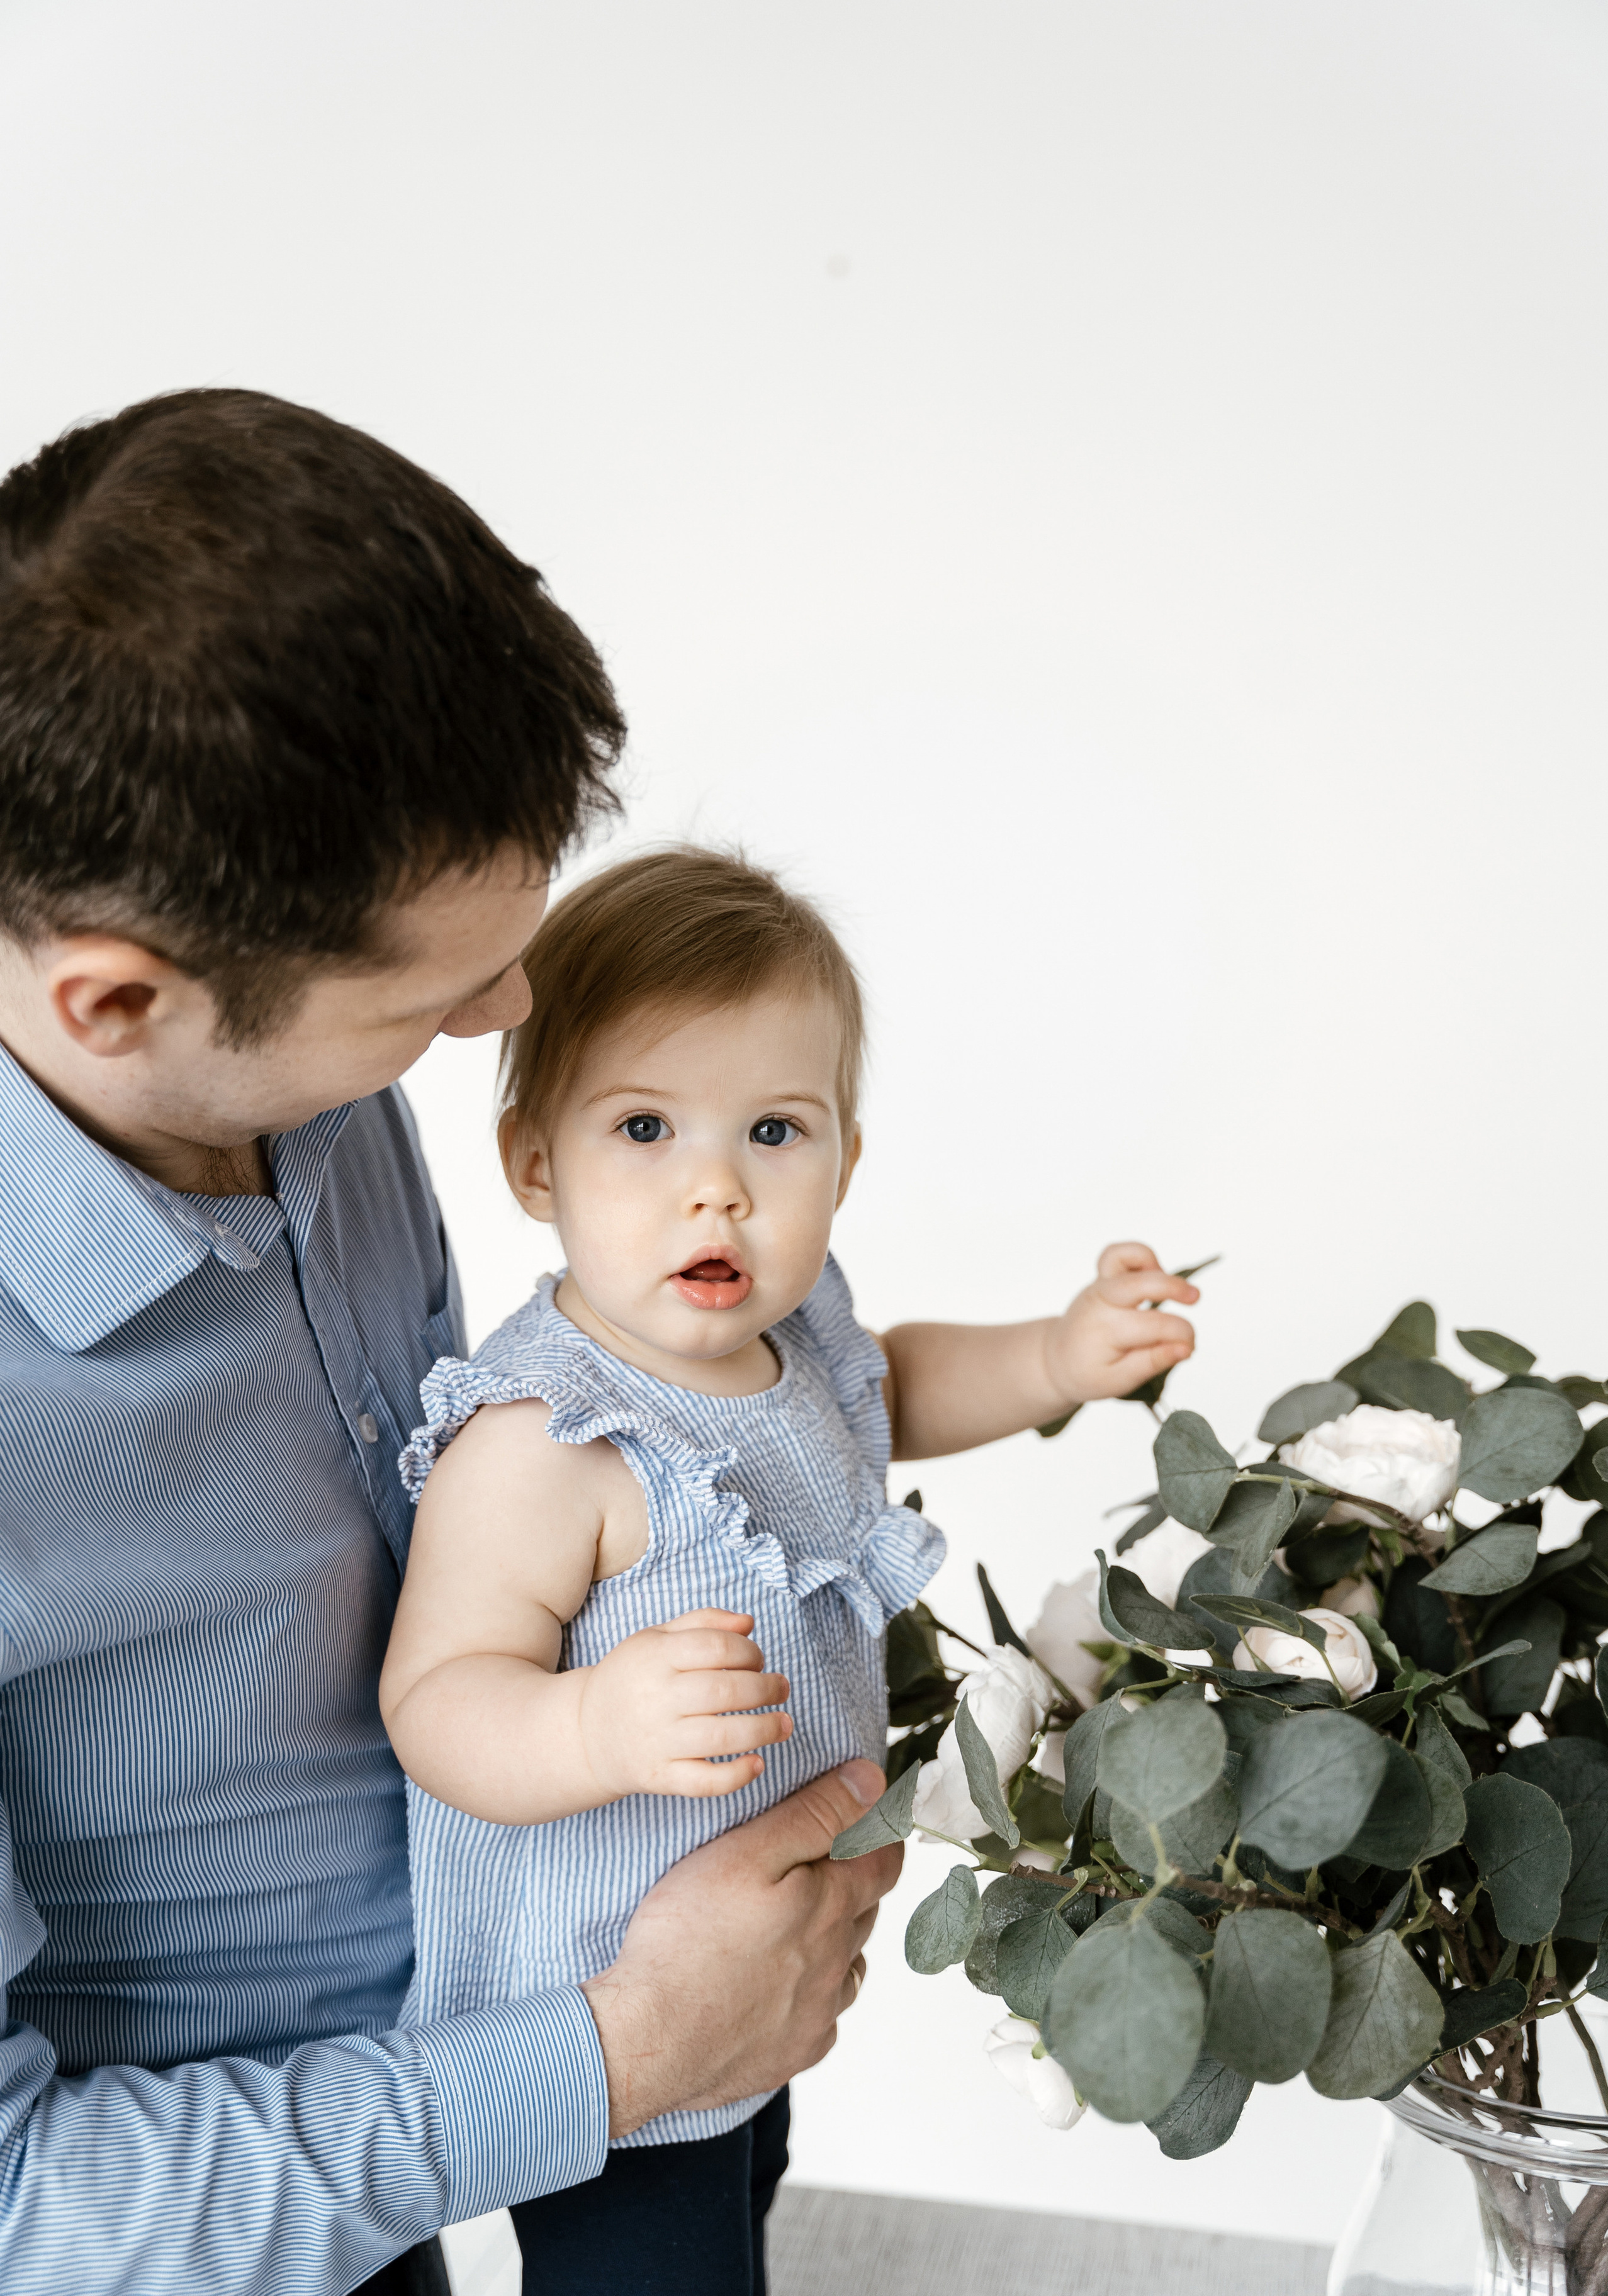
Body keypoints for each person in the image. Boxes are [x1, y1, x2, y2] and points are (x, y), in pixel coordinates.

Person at [0, 391, 902, 2295]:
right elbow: (22, 2215)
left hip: (441, 2152)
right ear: (115, 1003)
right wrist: (624, 2053)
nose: (512, 1015)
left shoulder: (298, 1095)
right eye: (434, 1000)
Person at [379, 846, 1202, 2296]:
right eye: (643, 1127)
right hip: (606, 2014)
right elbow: (434, 1700)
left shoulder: (797, 1342)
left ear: (844, 1161)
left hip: (757, 1975)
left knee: (742, 2204)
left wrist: (1057, 1357)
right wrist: (589, 1724)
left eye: (772, 1131)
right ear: (533, 1162)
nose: (715, 1190)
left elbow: (898, 1384)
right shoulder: (543, 1440)